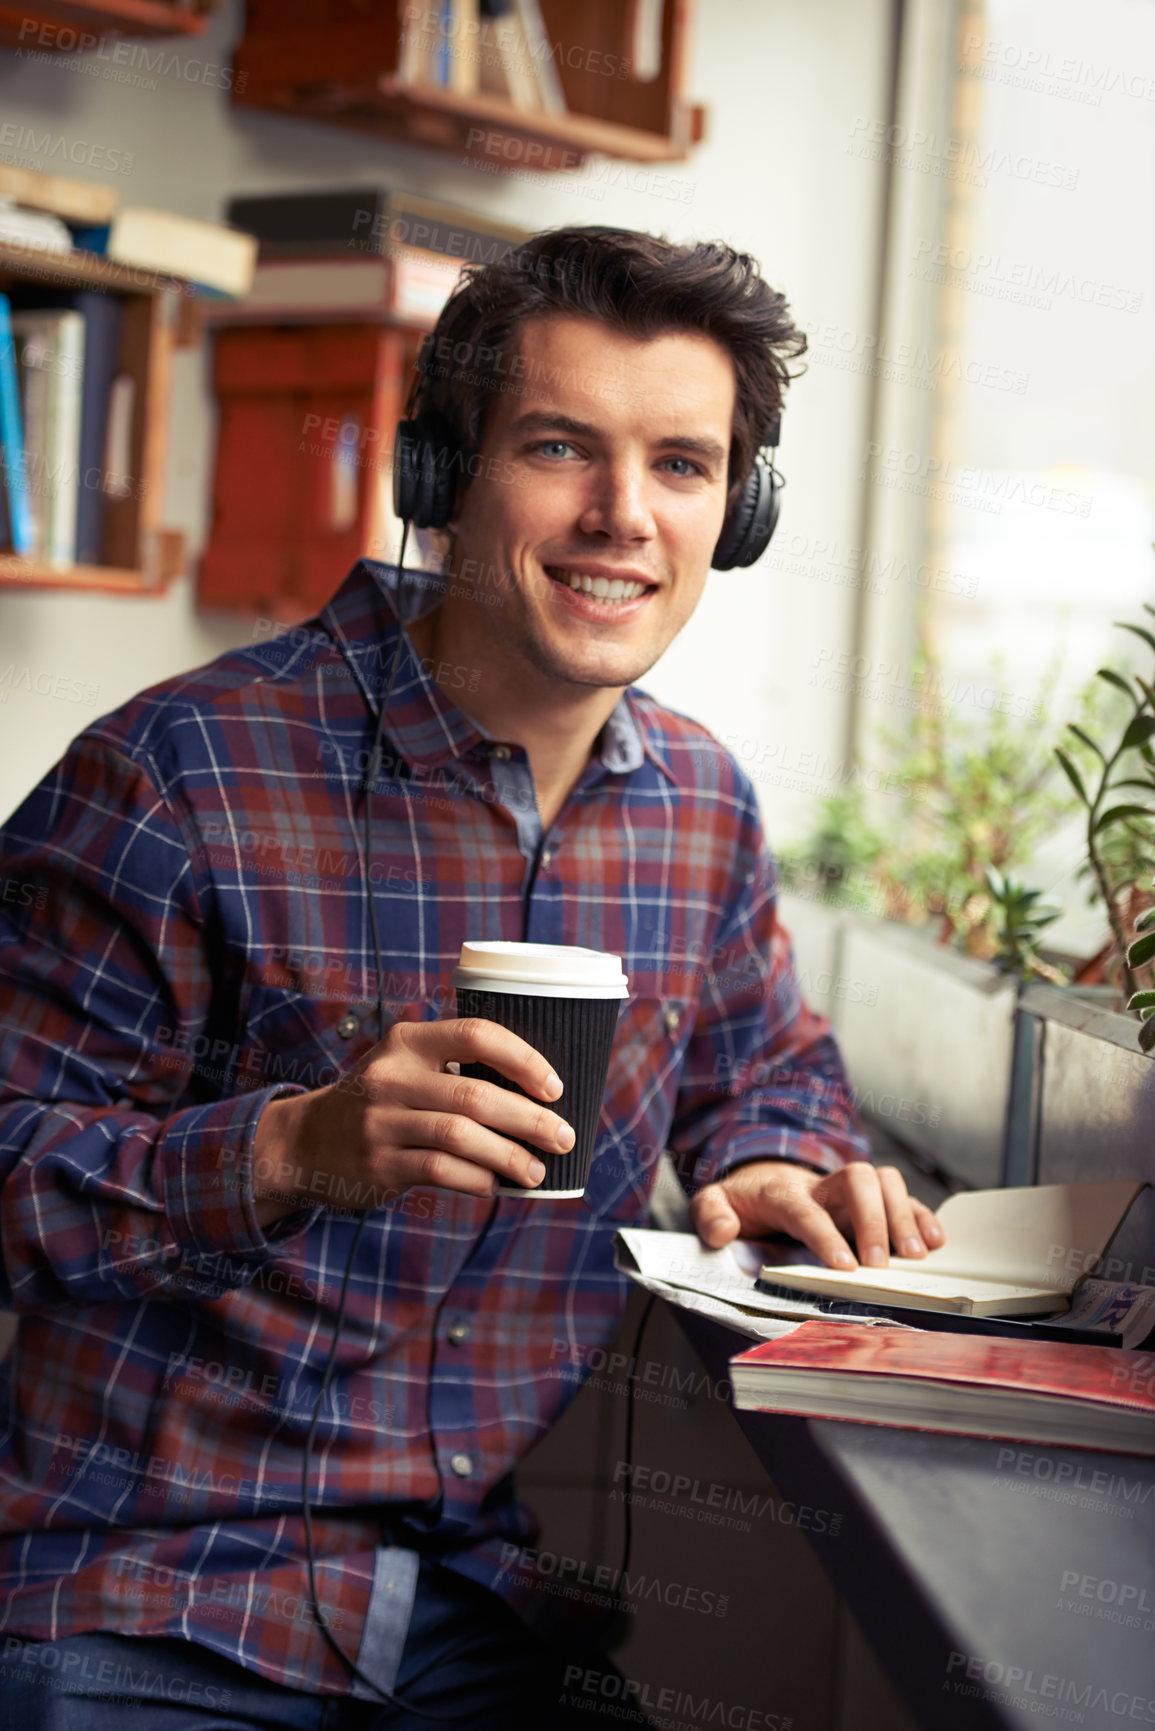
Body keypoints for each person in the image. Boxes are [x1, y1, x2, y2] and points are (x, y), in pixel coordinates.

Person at [0, 226, 943, 1726]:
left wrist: (773, 1158)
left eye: (684, 466)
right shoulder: (177, 774)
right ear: (440, 474)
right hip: (147, 1595)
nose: (622, 517)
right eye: (562, 448)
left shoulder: (702, 809)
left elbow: (764, 1071)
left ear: (738, 512)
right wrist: (290, 1149)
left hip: (475, 1609)